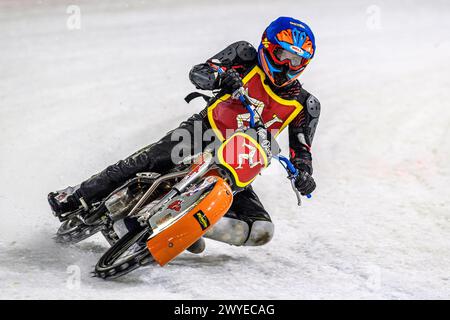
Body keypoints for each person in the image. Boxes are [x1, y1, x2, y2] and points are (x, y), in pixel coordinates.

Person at [48, 16, 320, 253]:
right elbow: (200, 72)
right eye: (283, 56)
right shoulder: (244, 55)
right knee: (151, 158)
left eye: (296, 61)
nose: (287, 66)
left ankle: (189, 228)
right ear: (267, 48)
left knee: (261, 230)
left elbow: (302, 150)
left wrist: (304, 175)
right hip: (205, 131)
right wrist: (220, 78)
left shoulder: (306, 105)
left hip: (238, 162)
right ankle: (75, 195)